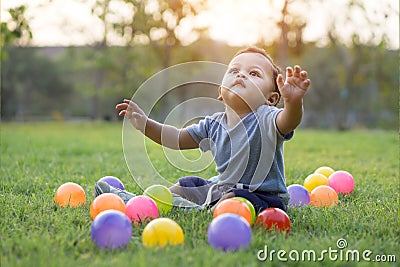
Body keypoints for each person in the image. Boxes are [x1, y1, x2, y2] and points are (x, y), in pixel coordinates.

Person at [96, 46, 311, 213]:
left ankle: (194, 209)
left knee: (230, 201)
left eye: (254, 74)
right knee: (187, 185)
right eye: (234, 70)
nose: (241, 75)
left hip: (265, 198)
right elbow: (177, 138)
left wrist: (293, 103)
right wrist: (146, 124)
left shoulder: (267, 118)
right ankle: (142, 202)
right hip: (223, 188)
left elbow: (288, 121)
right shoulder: (213, 124)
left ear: (271, 99)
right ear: (220, 92)